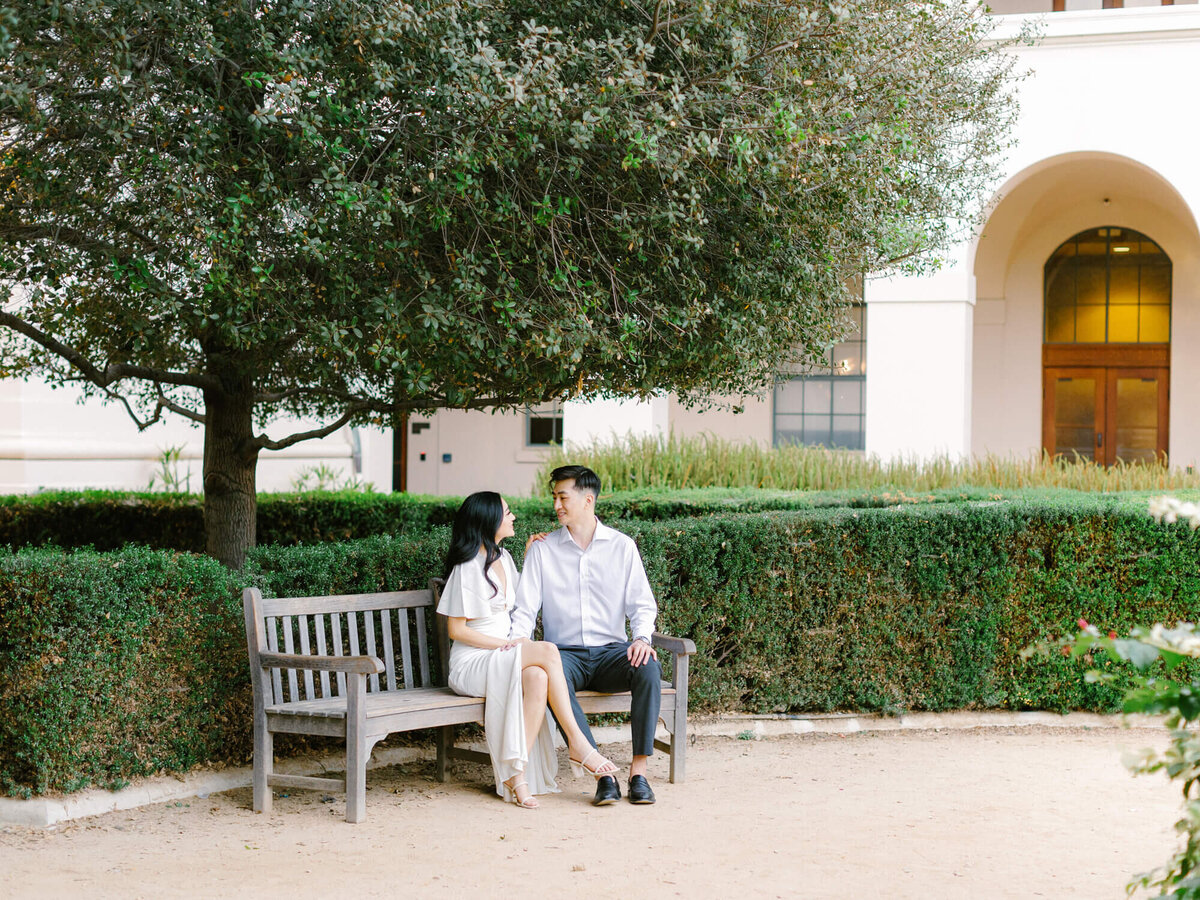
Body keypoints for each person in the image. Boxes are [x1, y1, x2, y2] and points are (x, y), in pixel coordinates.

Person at [436, 491, 618, 809]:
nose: (513, 517)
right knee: (546, 652)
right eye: (507, 512)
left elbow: (521, 601)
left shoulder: (504, 558)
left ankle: (516, 774)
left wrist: (531, 554)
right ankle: (578, 743)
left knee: (536, 676)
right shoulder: (467, 567)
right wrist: (505, 645)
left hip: (502, 655)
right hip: (473, 663)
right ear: (489, 520)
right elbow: (457, 630)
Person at [510, 464, 663, 806]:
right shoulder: (542, 549)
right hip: (563, 656)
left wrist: (641, 638)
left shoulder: (621, 547)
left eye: (563, 497)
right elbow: (524, 610)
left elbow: (642, 604)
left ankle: (639, 773)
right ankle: (602, 774)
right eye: (554, 497)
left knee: (649, 666)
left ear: (588, 500)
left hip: (611, 653)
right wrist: (519, 643)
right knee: (551, 674)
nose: (556, 506)